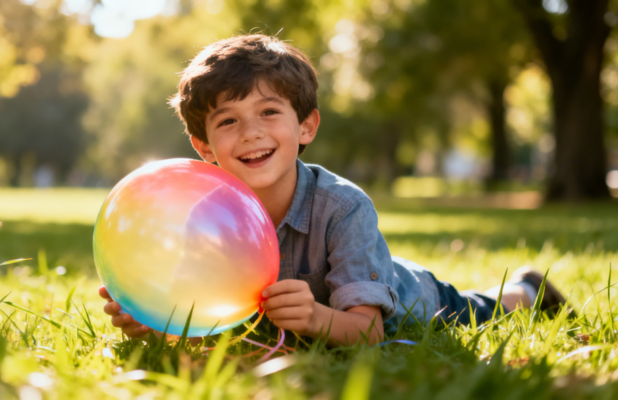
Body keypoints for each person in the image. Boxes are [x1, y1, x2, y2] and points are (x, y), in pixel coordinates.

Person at [98, 34, 569, 346]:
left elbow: (369, 332)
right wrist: (153, 323)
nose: (251, 133)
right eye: (228, 121)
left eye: (269, 112)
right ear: (204, 146)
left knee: (471, 310)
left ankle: (529, 289)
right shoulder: (199, 215)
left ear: (305, 126)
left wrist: (315, 319)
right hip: (340, 297)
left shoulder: (343, 207)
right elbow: (199, 312)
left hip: (402, 297)